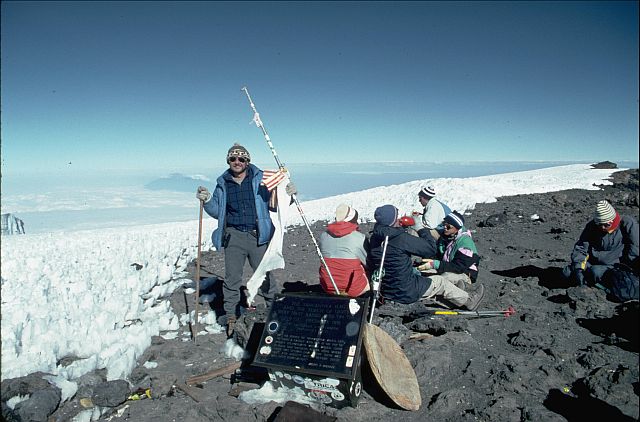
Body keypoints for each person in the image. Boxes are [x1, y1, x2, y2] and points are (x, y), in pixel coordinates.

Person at [196, 143, 296, 337]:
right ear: (228, 161)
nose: (237, 162)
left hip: (258, 235)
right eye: (233, 159)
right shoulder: (223, 183)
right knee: (232, 279)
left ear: (247, 161)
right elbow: (218, 211)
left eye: (241, 159)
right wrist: (207, 200)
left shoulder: (260, 179)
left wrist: (289, 194)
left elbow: (276, 201)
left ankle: (274, 310)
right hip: (233, 236)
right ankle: (232, 317)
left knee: (265, 276)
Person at [367, 204, 484, 310]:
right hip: (405, 290)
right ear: (392, 221)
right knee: (440, 282)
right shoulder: (401, 238)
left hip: (386, 290)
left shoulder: (375, 238)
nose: (400, 219)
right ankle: (469, 301)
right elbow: (430, 249)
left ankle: (454, 299)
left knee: (429, 277)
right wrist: (420, 228)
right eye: (397, 217)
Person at [563, 200, 639, 288]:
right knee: (567, 272)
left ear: (612, 220)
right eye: (599, 224)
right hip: (591, 263)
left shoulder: (627, 223)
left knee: (595, 272)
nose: (602, 227)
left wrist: (628, 269)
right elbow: (581, 248)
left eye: (606, 225)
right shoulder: (592, 226)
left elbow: (635, 247)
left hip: (615, 266)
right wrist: (579, 268)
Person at [417, 211, 480, 290]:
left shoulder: (465, 243)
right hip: (449, 267)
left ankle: (464, 288)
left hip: (465, 273)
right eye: (444, 225)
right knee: (420, 272)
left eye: (448, 226)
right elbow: (439, 255)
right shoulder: (447, 237)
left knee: (442, 279)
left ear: (457, 228)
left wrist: (436, 264)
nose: (445, 228)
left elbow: (459, 267)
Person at [318, 204, 370, 297]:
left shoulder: (323, 236)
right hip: (353, 288)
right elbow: (368, 262)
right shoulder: (359, 238)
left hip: (328, 285)